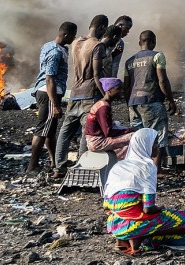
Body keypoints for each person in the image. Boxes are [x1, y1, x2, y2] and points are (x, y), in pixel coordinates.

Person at [103, 129, 185, 254]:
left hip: (115, 224)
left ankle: (127, 240)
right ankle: (145, 237)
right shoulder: (146, 167)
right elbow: (148, 208)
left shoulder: (119, 166)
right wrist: (160, 208)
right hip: (135, 224)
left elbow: (106, 205)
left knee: (130, 209)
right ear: (146, 145)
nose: (157, 146)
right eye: (155, 143)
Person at [54, 14, 109, 177]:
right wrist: (105, 95)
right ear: (103, 28)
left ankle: (59, 167)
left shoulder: (76, 42)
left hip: (74, 92)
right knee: (87, 131)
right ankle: (80, 167)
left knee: (65, 131)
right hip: (89, 93)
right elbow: (97, 74)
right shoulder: (97, 46)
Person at [27, 22, 77, 173]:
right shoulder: (55, 53)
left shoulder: (49, 45)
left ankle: (54, 161)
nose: (74, 38)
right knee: (42, 129)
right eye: (73, 36)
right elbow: (50, 79)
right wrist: (55, 104)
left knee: (50, 130)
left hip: (47, 92)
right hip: (49, 93)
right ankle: (32, 166)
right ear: (66, 35)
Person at [123, 30, 177, 165]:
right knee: (157, 137)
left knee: (139, 139)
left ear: (139, 43)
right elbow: (162, 80)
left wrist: (129, 104)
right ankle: (155, 171)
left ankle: (140, 168)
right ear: (153, 42)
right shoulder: (157, 56)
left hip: (133, 103)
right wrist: (171, 100)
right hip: (152, 101)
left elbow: (126, 86)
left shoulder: (129, 61)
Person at [84, 78, 134, 159]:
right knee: (134, 136)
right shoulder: (103, 107)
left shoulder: (101, 103)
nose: (122, 91)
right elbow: (108, 132)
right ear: (109, 90)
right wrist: (130, 130)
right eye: (118, 89)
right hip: (97, 142)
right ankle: (123, 161)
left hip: (94, 139)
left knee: (120, 127)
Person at [110, 15, 133, 79]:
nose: (128, 32)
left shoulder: (120, 43)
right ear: (120, 25)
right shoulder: (103, 37)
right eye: (127, 28)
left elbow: (115, 64)